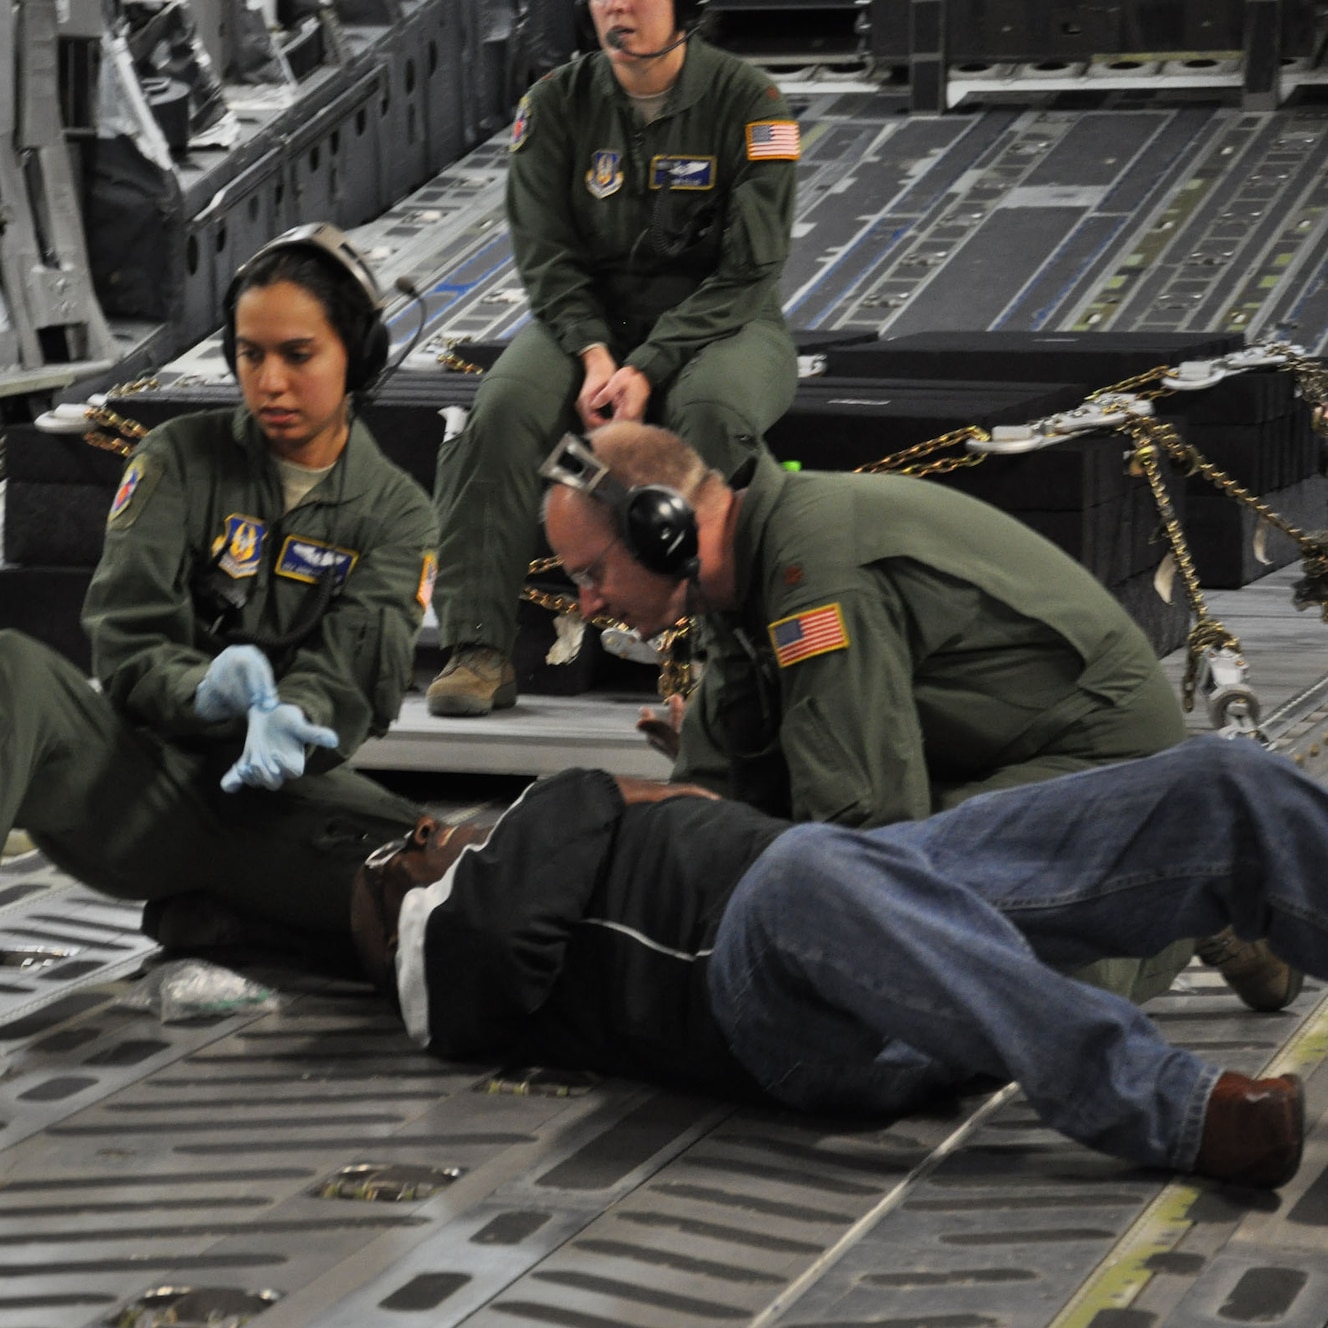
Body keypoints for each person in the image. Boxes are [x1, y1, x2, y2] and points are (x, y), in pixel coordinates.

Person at [540, 423, 1301, 1010]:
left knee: (954, 962)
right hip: (993, 754)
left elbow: (866, 827)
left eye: (592, 573)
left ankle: (1179, 897)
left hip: (1099, 759)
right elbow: (720, 785)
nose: (588, 604)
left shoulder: (816, 577)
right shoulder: (736, 585)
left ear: (662, 530)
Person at [353, 735, 1317, 1190]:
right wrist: (589, 789)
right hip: (767, 1003)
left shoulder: (546, 848)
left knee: (1215, 782)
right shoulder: (461, 934)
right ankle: (1175, 1112)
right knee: (801, 869)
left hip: (865, 908)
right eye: (414, 848)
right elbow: (496, 934)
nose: (439, 831)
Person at [0, 224, 439, 1010]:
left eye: (298, 355)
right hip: (140, 790)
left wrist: (292, 716)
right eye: (250, 354)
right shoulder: (178, 460)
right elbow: (130, 640)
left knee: (438, 867)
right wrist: (204, 689)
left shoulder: (397, 515)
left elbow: (352, 678)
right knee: (10, 667)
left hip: (280, 806)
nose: (270, 382)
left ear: (358, 355)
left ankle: (241, 922)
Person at [425, 0, 798, 716]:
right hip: (590, 319)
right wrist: (595, 354)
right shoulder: (555, 103)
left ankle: (717, 655)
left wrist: (649, 365)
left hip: (725, 320)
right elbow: (545, 255)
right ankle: (478, 648)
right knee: (504, 409)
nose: (616, 7)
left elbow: (749, 271)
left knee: (710, 410)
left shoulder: (750, 101)